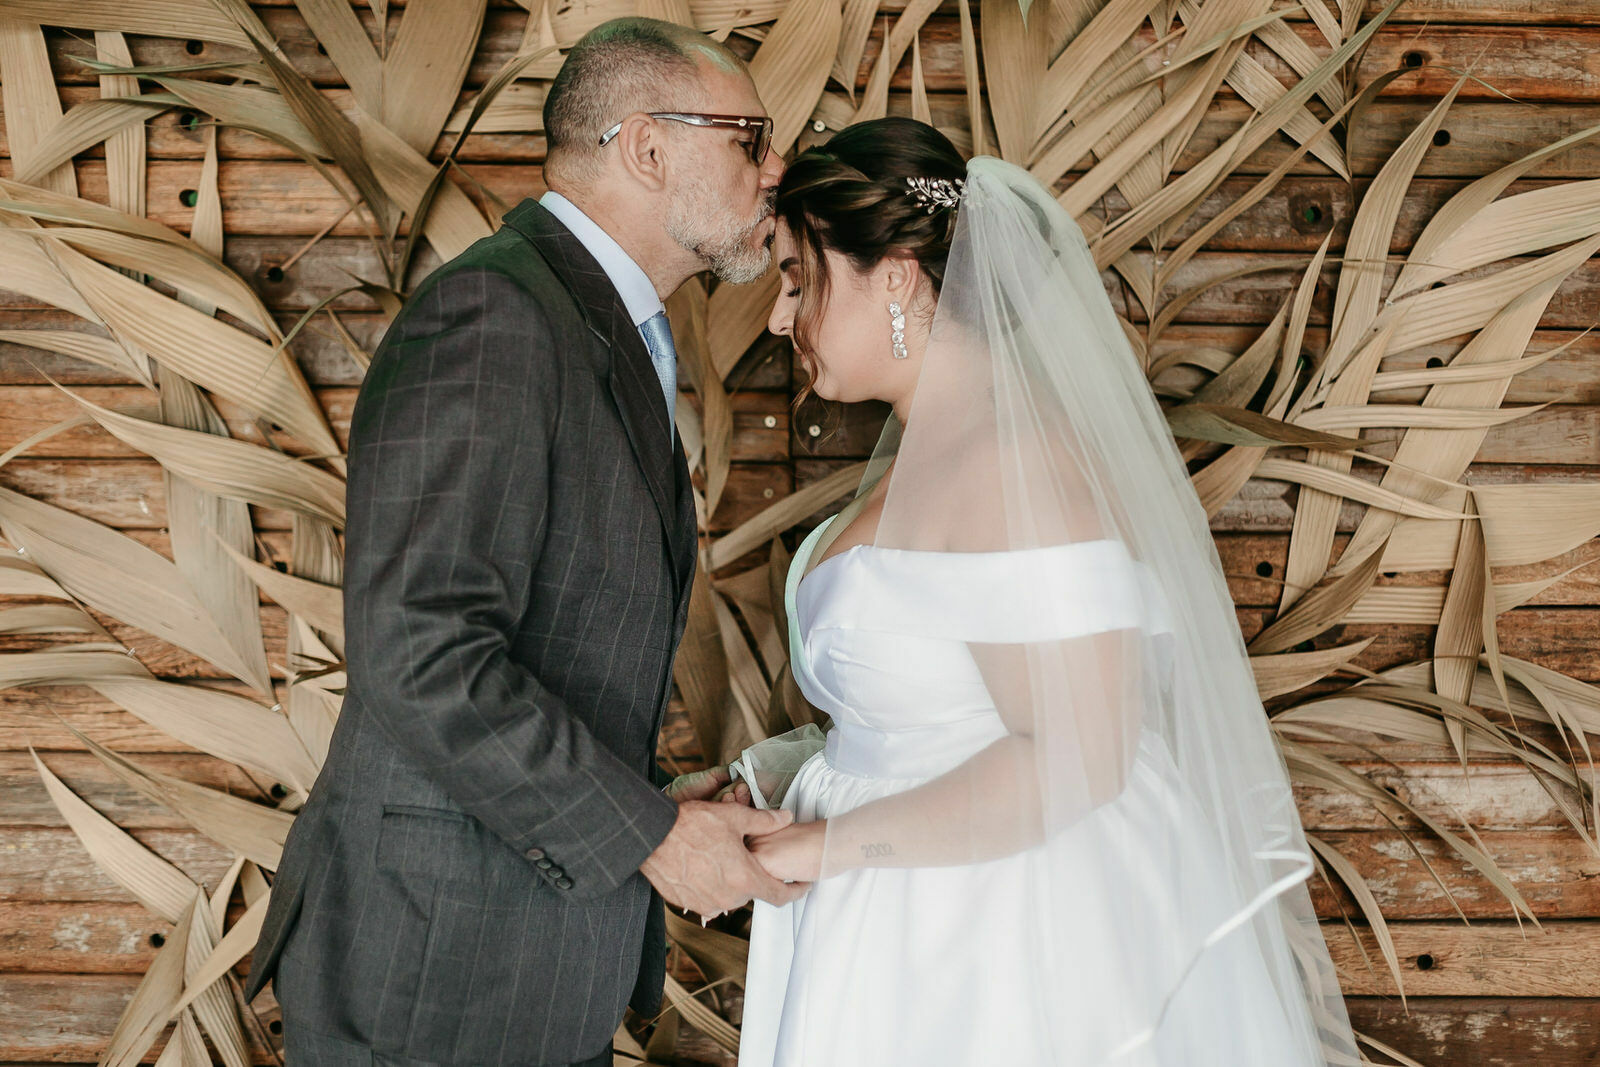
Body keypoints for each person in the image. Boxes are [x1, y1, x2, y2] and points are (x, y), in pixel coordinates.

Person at [731, 117, 1361, 1066]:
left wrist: (821, 848)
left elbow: (1082, 751)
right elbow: (936, 702)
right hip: (900, 914)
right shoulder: (927, 450)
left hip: (1014, 935)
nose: (780, 319)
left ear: (896, 275)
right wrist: (786, 779)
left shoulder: (1017, 462)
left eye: (795, 278)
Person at [242, 18, 806, 1066]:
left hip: (515, 955)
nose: (775, 170)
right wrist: (649, 836)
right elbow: (420, 648)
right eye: (749, 138)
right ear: (647, 147)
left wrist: (647, 805)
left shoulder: (602, 324)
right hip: (433, 969)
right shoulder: (497, 315)